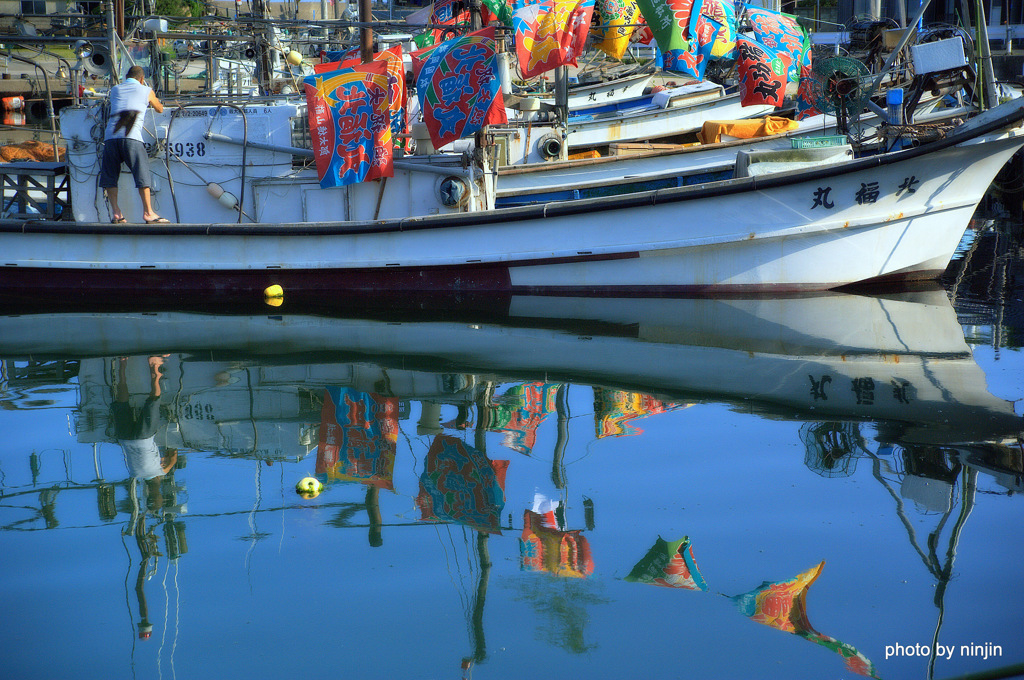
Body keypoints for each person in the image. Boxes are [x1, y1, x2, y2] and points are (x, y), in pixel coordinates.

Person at [99, 65, 168, 224]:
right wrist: (150, 98)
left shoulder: (115, 90)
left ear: (126, 78)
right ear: (142, 79)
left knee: (110, 177)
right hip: (132, 137)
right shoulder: (146, 90)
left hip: (110, 137)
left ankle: (116, 213)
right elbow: (159, 108)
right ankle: (148, 213)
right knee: (142, 175)